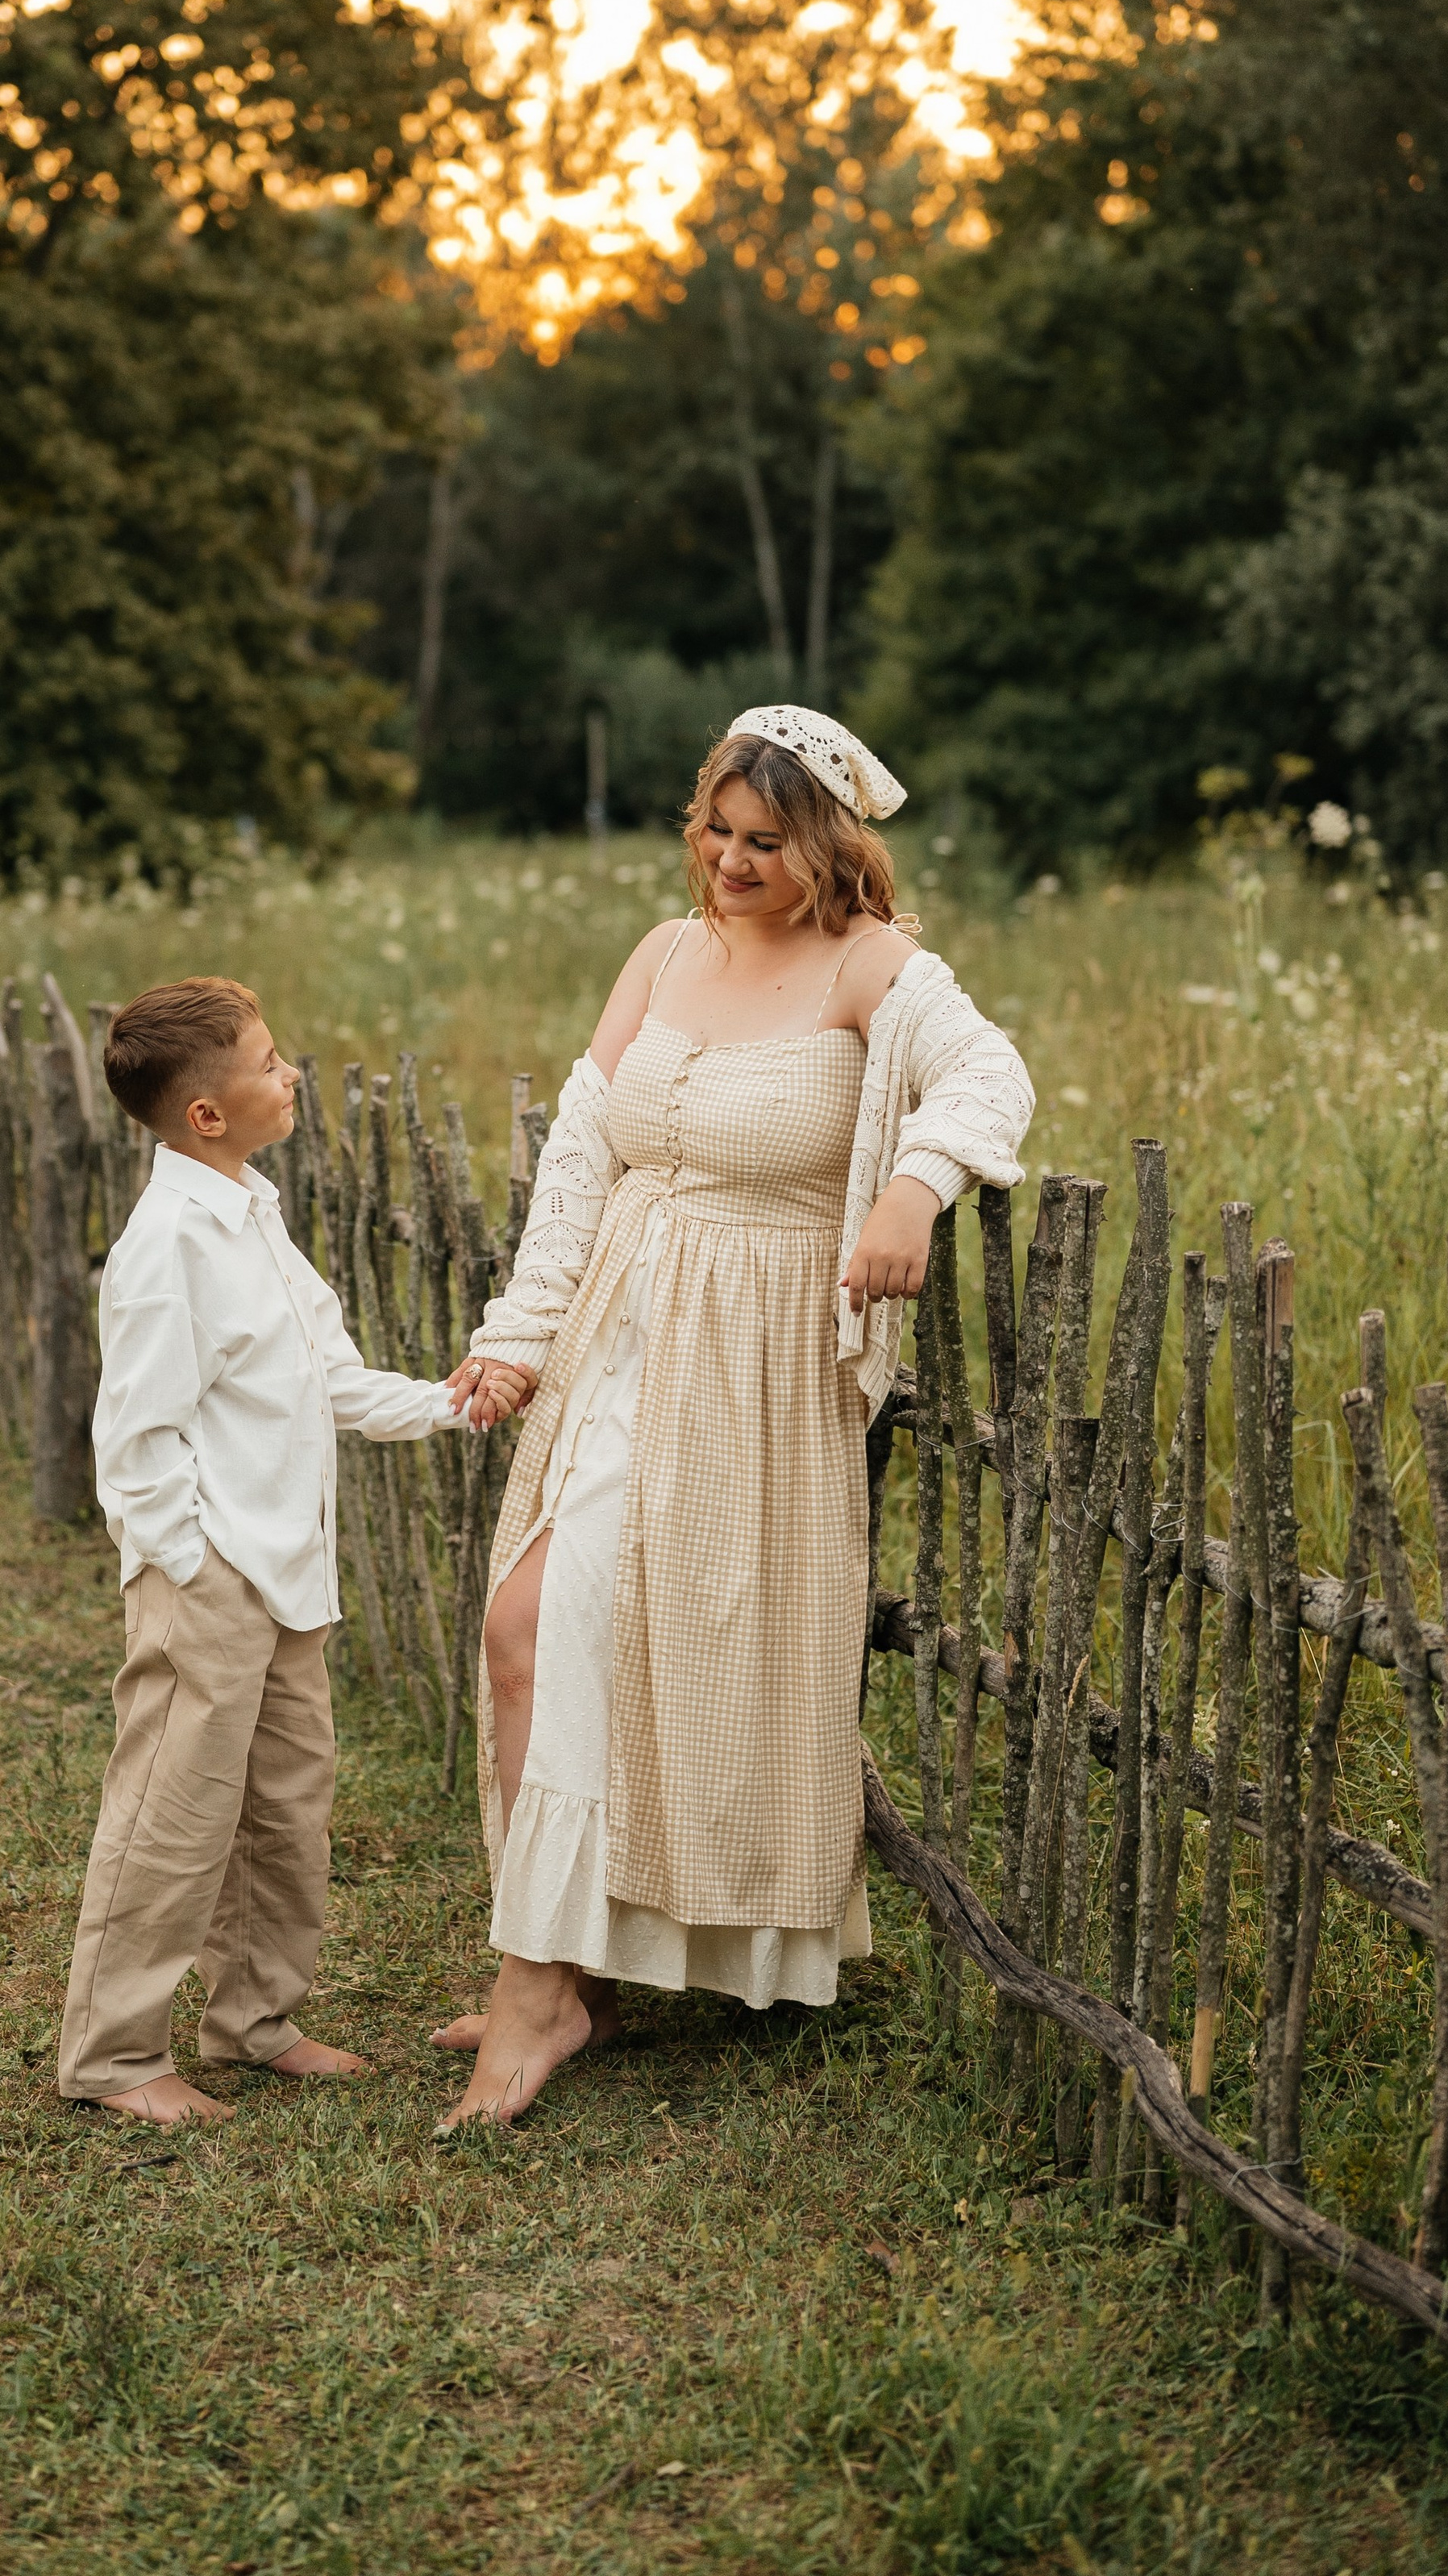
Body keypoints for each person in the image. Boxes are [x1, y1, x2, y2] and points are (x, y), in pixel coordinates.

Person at [437, 706, 1034, 2129]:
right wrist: (519, 1340)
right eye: (716, 829)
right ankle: (557, 1963)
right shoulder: (661, 954)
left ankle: (543, 1994)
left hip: (754, 1363)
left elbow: (987, 1075)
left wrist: (915, 1184)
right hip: (621, 1333)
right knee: (525, 1630)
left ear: (828, 843)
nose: (731, 861)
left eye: (766, 841)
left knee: (630, 1643)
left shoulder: (874, 965)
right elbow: (583, 1157)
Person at [57, 975, 476, 2129]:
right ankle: (113, 2052)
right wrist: (190, 1571)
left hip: (291, 1569)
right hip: (215, 1575)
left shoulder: (253, 1209)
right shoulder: (167, 1246)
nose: (290, 1074)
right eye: (270, 1061)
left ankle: (256, 2020)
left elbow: (327, 1380)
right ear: (205, 1112)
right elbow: (136, 1439)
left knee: (287, 1806)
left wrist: (449, 1401)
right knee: (177, 1813)